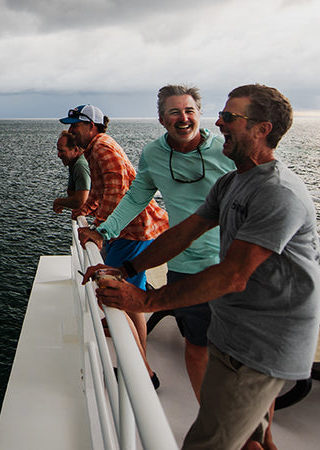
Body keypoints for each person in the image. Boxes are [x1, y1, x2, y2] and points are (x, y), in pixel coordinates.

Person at [82, 84, 320, 450]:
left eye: (229, 117)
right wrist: (128, 268)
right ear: (162, 119)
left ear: (262, 129)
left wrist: (146, 301)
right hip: (233, 318)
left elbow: (234, 274)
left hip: (263, 337)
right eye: (221, 114)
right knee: (249, 437)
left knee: (210, 440)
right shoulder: (232, 182)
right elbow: (184, 232)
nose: (217, 123)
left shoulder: (277, 192)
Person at [78, 85, 235, 401]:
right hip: (186, 264)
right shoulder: (154, 154)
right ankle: (210, 419)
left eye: (189, 110)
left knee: (242, 354)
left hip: (233, 263)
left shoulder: (225, 150)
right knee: (197, 347)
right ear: (162, 119)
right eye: (174, 112)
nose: (183, 118)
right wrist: (103, 231)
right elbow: (136, 196)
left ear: (199, 115)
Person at [61, 104, 170, 381]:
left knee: (126, 299)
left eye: (76, 125)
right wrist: (88, 208)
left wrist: (101, 230)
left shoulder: (102, 147)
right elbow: (100, 190)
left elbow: (118, 190)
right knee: (132, 296)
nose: (72, 130)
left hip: (130, 232)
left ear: (92, 127)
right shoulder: (94, 148)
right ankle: (140, 359)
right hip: (131, 232)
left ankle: (144, 370)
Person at [52, 130, 90, 213]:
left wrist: (58, 202)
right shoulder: (73, 163)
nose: (58, 155)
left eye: (62, 151)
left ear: (76, 150)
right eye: (58, 151)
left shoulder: (80, 165)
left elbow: (80, 201)